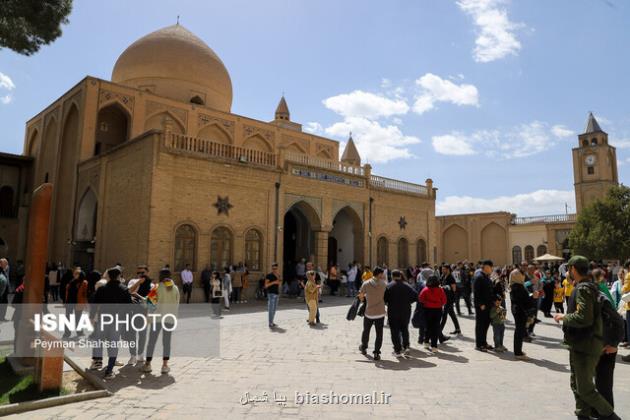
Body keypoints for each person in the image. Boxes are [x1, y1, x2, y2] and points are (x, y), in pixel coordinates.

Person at [553, 256, 620, 420]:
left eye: (569, 269)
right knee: (576, 385)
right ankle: (582, 415)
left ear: (573, 269)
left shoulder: (583, 289)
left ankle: (612, 417)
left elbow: (584, 317)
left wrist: (563, 317)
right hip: (579, 345)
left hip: (585, 346)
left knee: (585, 389)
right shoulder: (587, 287)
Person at [91, 267, 132, 379]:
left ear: (108, 276)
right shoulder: (124, 289)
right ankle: (109, 370)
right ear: (119, 276)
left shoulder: (102, 288)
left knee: (99, 341)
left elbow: (94, 305)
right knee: (113, 344)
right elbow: (129, 308)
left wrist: (91, 318)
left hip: (103, 319)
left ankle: (97, 362)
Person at [143, 268, 180, 374]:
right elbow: (177, 304)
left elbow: (150, 305)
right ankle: (165, 365)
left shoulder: (157, 288)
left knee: (152, 342)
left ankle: (148, 364)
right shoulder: (175, 288)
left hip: (157, 319)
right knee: (167, 342)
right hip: (169, 319)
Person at [384, 269, 417, 357]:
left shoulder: (389, 286)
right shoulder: (407, 285)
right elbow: (415, 296)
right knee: (404, 329)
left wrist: (389, 303)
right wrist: (408, 302)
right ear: (400, 275)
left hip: (393, 311)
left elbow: (384, 299)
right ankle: (406, 346)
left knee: (394, 330)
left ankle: (397, 350)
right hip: (405, 311)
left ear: (392, 276)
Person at [358, 267, 387, 360]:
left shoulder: (366, 283)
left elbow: (361, 296)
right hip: (380, 312)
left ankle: (364, 347)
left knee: (366, 331)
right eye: (382, 274)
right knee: (379, 333)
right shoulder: (384, 284)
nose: (383, 275)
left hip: (369, 312)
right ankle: (376, 353)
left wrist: (365, 300)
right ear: (379, 274)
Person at [127, 265, 153, 365]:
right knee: (131, 334)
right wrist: (138, 282)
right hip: (132, 312)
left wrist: (137, 296)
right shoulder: (133, 281)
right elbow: (129, 291)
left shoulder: (151, 285)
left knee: (142, 334)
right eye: (138, 273)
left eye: (142, 273)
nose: (140, 275)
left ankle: (140, 354)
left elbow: (150, 301)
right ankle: (132, 355)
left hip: (144, 312)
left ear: (147, 272)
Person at [419, 275, 446, 353]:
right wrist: (438, 304)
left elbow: (420, 299)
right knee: (435, 327)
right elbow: (444, 301)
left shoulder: (425, 289)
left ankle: (426, 342)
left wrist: (427, 303)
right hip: (438, 310)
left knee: (428, 326)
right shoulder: (440, 290)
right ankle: (434, 346)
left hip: (427, 310)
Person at [473, 260, 495, 352]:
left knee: (486, 325)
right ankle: (479, 344)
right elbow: (476, 292)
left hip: (488, 305)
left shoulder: (486, 277)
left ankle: (484, 342)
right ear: (486, 267)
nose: (492, 269)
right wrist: (480, 304)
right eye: (491, 267)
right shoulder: (479, 277)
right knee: (480, 325)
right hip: (482, 306)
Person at [63, 267, 88, 338]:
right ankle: (67, 333)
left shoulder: (84, 283)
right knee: (68, 318)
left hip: (78, 302)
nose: (75, 274)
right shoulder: (71, 282)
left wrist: (85, 303)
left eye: (77, 273)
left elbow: (85, 294)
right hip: (70, 302)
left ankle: (79, 332)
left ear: (81, 275)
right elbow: (67, 292)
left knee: (78, 318)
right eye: (74, 273)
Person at [440, 265, 461, 335]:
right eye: (442, 269)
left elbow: (454, 289)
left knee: (444, 314)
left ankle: (439, 331)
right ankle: (458, 329)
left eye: (444, 269)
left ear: (448, 269)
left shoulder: (451, 278)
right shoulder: (443, 276)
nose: (442, 271)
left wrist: (447, 289)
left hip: (449, 299)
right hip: (444, 298)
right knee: (451, 313)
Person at [265, 263, 281, 328]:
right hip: (271, 294)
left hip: (276, 294)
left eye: (275, 268)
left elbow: (279, 283)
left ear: (277, 268)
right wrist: (274, 282)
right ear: (271, 268)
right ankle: (270, 323)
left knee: (274, 309)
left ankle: (272, 321)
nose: (274, 270)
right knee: (271, 309)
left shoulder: (278, 275)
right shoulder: (269, 275)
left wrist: (278, 281)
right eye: (273, 268)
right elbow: (266, 285)